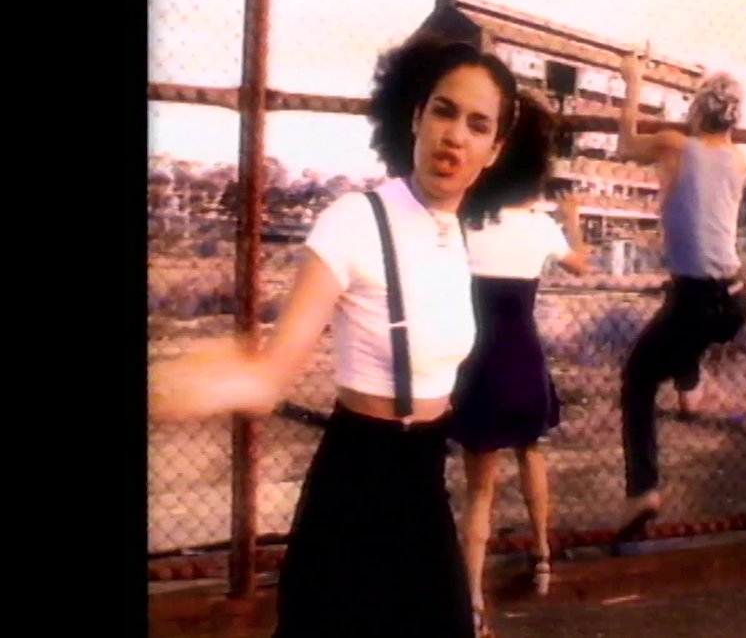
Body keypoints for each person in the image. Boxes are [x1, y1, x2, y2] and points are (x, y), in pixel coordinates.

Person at [148, 36, 553, 637]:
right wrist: (188, 383)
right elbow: (269, 374)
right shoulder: (355, 221)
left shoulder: (455, 233)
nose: (455, 136)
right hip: (357, 484)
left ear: (493, 150)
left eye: (477, 124)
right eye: (443, 111)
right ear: (416, 117)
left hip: (424, 482)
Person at [450, 91, 592, 635]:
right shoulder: (540, 227)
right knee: (533, 455)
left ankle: (473, 602)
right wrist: (572, 218)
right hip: (525, 359)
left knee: (479, 490)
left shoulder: (466, 222)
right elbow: (580, 266)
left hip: (476, 364)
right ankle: (542, 557)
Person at [612, 53, 746, 539]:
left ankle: (643, 491)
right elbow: (713, 152)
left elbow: (625, 143)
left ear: (696, 111)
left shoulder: (675, 145)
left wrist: (634, 81)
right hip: (736, 300)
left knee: (636, 382)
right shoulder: (740, 159)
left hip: (696, 299)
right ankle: (690, 387)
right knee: (680, 333)